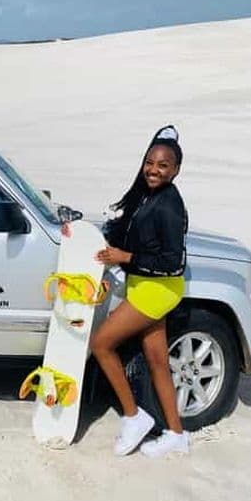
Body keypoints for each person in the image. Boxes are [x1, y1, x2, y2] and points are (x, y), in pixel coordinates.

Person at [91, 125, 189, 458]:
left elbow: (172, 261)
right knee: (158, 362)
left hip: (157, 289)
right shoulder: (147, 195)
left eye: (163, 165)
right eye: (150, 162)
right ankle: (177, 435)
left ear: (175, 170)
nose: (154, 170)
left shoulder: (169, 205)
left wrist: (125, 258)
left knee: (102, 344)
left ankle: (134, 417)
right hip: (145, 285)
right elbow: (128, 235)